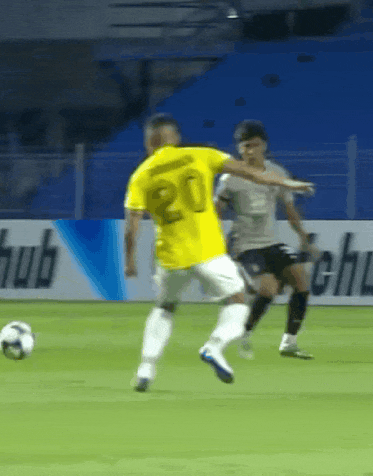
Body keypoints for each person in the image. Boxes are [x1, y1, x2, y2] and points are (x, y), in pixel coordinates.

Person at [124, 113, 314, 392]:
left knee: (165, 308)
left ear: (148, 142)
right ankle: (215, 346)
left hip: (171, 258)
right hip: (209, 253)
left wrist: (129, 261)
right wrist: (288, 183)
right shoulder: (202, 155)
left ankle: (146, 369)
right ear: (175, 137)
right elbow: (251, 173)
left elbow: (131, 227)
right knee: (237, 301)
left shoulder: (141, 175)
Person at [214, 120, 318, 360]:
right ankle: (244, 332)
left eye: (255, 145)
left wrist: (304, 238)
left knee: (301, 281)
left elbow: (290, 210)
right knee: (268, 289)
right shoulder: (230, 179)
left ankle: (289, 343)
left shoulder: (276, 173)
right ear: (239, 149)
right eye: (245, 146)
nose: (250, 151)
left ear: (264, 145)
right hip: (245, 245)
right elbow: (216, 212)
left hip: (271, 243)